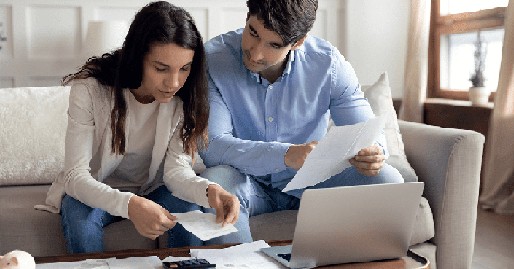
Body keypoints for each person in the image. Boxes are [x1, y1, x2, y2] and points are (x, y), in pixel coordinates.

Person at [39, 1, 239, 253]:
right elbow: (75, 177)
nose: (174, 82)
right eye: (161, 68)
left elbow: (177, 172)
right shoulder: (90, 90)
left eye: (184, 69)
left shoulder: (184, 97)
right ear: (137, 57)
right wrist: (130, 204)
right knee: (78, 216)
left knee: (189, 208)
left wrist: (211, 191)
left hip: (153, 190)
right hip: (93, 190)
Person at [199, 0, 404, 244]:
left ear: (298, 42)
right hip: (246, 182)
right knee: (216, 181)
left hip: (312, 182)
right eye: (253, 32)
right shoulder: (213, 59)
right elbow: (213, 147)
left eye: (273, 44)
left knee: (387, 180)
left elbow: (365, 131)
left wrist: (374, 152)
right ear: (247, 16)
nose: (255, 53)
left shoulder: (328, 65)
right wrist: (285, 155)